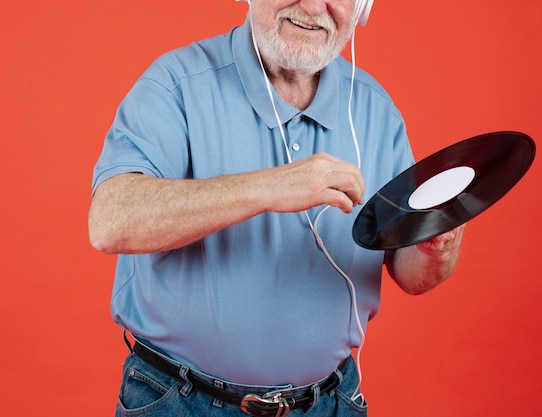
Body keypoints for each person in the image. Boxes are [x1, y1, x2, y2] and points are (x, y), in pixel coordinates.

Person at [88, 0, 464, 416]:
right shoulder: (176, 83)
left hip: (329, 402)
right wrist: (270, 186)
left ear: (362, 8)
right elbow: (110, 221)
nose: (312, 6)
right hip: (179, 401)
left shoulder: (376, 110)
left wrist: (437, 246)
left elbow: (412, 276)